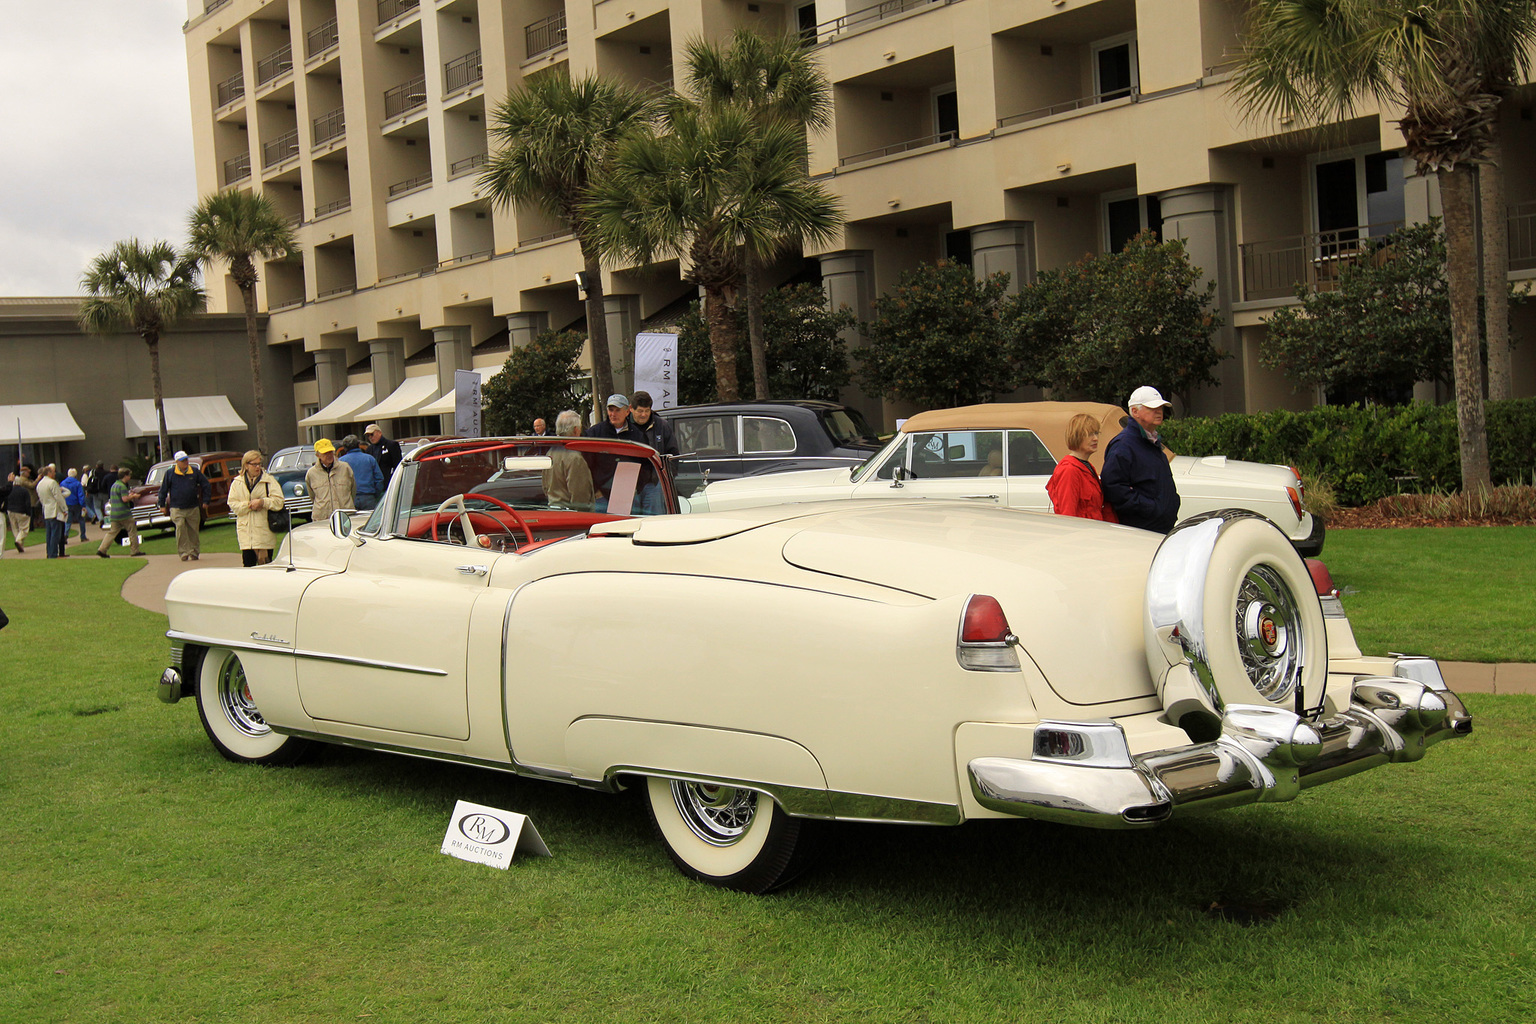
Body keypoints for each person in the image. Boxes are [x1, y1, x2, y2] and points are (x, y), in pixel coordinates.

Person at [1101, 385, 1180, 534]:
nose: (1159, 412)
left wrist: (1170, 504)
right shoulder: (1123, 445)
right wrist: (1151, 508)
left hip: (1159, 528)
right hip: (1141, 531)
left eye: (1161, 407)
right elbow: (1113, 488)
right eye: (1152, 408)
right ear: (1135, 411)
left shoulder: (1151, 442)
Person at [1046, 413, 1119, 523]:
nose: (1095, 438)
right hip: (1083, 533)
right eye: (1089, 434)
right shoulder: (1069, 470)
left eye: (1096, 433)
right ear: (1077, 436)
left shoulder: (1087, 466)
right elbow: (1068, 515)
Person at [584, 394, 645, 513]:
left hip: (629, 496)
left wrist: (637, 487)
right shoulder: (595, 433)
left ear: (627, 411)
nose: (613, 414)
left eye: (617, 410)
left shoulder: (637, 435)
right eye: (611, 410)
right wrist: (596, 491)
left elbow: (644, 464)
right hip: (602, 497)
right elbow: (586, 464)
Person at [228, 449, 285, 566]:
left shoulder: (269, 481)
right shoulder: (236, 483)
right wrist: (249, 505)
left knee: (266, 566)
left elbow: (279, 502)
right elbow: (233, 505)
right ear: (246, 465)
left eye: (259, 464)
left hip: (264, 533)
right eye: (254, 464)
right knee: (248, 567)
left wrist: (263, 502)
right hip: (246, 535)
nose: (257, 467)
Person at [628, 391, 677, 516]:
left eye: (647, 410)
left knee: (655, 522)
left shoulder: (661, 426)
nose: (644, 415)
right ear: (631, 409)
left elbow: (673, 455)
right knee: (629, 521)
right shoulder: (622, 427)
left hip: (654, 484)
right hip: (629, 485)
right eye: (640, 411)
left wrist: (665, 479)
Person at [157, 450, 212, 561]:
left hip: (193, 506)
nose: (185, 462)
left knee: (193, 531)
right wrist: (162, 504)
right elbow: (163, 490)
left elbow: (206, 485)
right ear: (177, 462)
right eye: (182, 460)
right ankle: (183, 552)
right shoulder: (170, 473)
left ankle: (194, 552)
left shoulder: (194, 472)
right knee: (180, 527)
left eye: (186, 459)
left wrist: (206, 500)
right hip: (177, 507)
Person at [542, 410, 595, 510]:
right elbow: (580, 496)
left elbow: (545, 486)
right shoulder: (574, 457)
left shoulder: (550, 453)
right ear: (576, 430)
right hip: (570, 514)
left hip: (553, 509)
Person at [96, 467, 143, 558]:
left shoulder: (114, 485)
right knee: (132, 530)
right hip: (124, 513)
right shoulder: (122, 486)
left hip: (114, 514)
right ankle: (135, 550)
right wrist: (134, 496)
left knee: (112, 532)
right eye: (129, 475)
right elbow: (125, 499)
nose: (130, 477)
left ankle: (102, 549)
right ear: (125, 476)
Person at [305, 438, 355, 521]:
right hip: (322, 518)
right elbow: (312, 496)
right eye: (325, 453)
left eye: (330, 452)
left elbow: (353, 490)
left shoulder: (345, 468)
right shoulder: (311, 473)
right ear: (318, 455)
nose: (329, 455)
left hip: (345, 516)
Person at [339, 434, 384, 511]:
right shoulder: (369, 459)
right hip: (368, 497)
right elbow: (379, 479)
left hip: (349, 499)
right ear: (358, 445)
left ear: (345, 448)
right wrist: (375, 494)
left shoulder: (340, 462)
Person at [38, 464, 68, 558]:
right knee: (56, 533)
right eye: (53, 472)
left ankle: (49, 552)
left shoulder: (40, 484)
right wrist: (64, 509)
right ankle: (54, 553)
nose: (55, 474)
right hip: (55, 510)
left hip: (46, 510)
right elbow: (58, 497)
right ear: (49, 473)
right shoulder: (52, 483)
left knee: (49, 533)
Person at [5, 467, 33, 553]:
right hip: (21, 511)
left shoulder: (9, 490)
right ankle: (19, 541)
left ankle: (20, 544)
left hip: (10, 511)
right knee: (24, 529)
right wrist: (29, 513)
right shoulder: (24, 491)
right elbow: (27, 503)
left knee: (15, 528)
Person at [62, 467, 89, 542]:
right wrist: (83, 505)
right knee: (81, 520)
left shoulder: (63, 483)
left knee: (68, 521)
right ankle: (83, 536)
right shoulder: (77, 483)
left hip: (67, 504)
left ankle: (65, 535)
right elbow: (80, 495)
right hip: (76, 504)